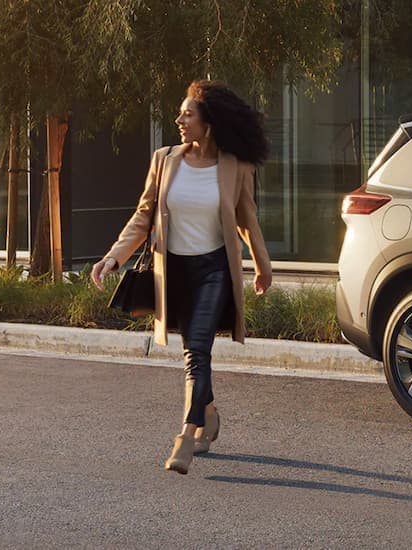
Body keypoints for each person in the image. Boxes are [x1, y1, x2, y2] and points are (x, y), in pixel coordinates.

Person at [91, 80, 273, 475]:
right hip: (174, 271)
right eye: (181, 113)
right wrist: (113, 257)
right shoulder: (165, 159)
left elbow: (247, 220)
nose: (179, 119)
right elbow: (144, 216)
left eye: (188, 114)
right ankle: (209, 413)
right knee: (194, 352)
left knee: (197, 354)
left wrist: (263, 266)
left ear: (209, 123)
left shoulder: (234, 166)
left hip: (213, 271)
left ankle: (186, 436)